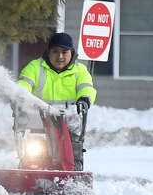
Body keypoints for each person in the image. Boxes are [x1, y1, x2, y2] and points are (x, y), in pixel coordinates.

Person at [15, 31, 97, 170]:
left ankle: (72, 178)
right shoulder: (35, 68)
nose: (60, 56)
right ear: (48, 52)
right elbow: (24, 84)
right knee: (33, 156)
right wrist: (19, 95)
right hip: (38, 126)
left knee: (72, 162)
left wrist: (84, 100)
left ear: (72, 53)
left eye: (64, 52)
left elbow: (87, 89)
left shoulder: (80, 71)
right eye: (55, 52)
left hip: (70, 126)